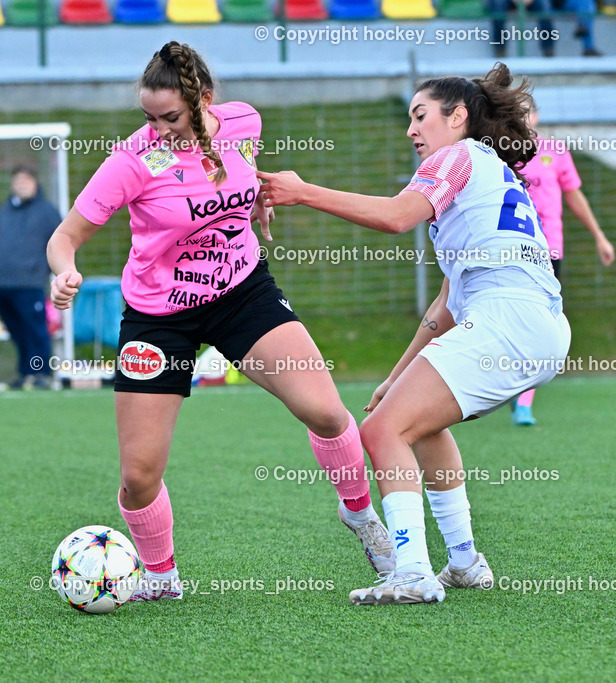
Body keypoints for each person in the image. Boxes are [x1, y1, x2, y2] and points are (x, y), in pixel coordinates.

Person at [47, 41, 394, 602]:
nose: (159, 130)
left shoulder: (243, 122)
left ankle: (359, 514)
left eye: (171, 117)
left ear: (204, 100)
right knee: (138, 476)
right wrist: (64, 272)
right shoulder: (132, 161)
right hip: (159, 317)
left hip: (241, 292)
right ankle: (161, 578)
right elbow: (65, 237)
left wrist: (256, 200)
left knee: (327, 412)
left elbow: (242, 172)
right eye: (149, 118)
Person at [258, 63, 571, 605]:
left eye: (420, 116)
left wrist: (304, 191)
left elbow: (396, 216)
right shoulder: (492, 172)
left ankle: (412, 572)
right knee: (417, 427)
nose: (411, 130)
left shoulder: (458, 157)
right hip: (537, 328)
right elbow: (446, 305)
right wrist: (396, 377)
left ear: (458, 116)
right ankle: (464, 561)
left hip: (507, 321)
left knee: (381, 432)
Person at [512, 102, 615, 425]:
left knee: (539, 322)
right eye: (516, 111)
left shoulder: (554, 151)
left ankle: (523, 400)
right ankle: (506, 384)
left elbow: (574, 194)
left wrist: (599, 236)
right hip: (510, 248)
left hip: (548, 250)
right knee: (511, 319)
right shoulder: (499, 150)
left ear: (537, 116)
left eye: (528, 111)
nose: (523, 117)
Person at [0, 166, 61, 391]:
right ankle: (26, 372)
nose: (21, 184)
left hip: (30, 283)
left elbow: (60, 243)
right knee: (16, 331)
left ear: (35, 183)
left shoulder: (47, 212)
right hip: (4, 284)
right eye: (18, 180)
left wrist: (47, 271)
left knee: (35, 329)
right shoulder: (5, 211)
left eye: (26, 180)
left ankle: (41, 373)